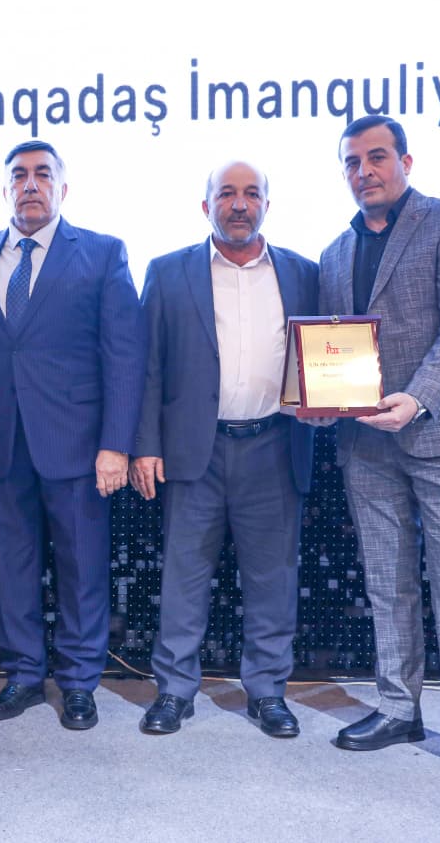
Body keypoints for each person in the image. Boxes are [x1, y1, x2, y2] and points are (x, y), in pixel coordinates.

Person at [318, 115, 440, 788]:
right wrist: (321, 400)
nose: (363, 171)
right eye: (351, 162)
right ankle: (399, 708)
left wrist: (418, 397)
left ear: (406, 160)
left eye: (376, 157)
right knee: (387, 579)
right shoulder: (334, 252)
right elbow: (333, 348)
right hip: (366, 440)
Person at [0, 140, 145, 730]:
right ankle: (23, 676)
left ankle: (80, 682)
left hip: (78, 442)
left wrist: (116, 443)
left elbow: (124, 355)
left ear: (63, 187)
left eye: (42, 174)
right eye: (19, 175)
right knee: (11, 565)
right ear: (5, 188)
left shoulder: (103, 253)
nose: (30, 184)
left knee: (82, 566)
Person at [130, 161, 317, 738]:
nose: (240, 204)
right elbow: (148, 365)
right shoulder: (167, 271)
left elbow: (325, 353)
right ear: (205, 205)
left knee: (273, 579)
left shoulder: (303, 273)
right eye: (227, 193)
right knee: (183, 575)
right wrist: (144, 446)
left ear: (267, 205)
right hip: (195, 450)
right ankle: (174, 690)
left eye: (252, 194)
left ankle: (267, 692)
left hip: (274, 445)